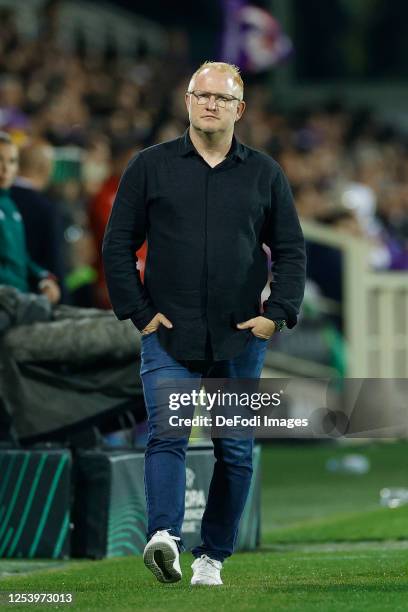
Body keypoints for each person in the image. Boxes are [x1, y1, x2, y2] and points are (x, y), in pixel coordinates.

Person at [102, 62, 306, 586]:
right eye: (201, 94)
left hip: (240, 336)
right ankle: (165, 537)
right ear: (187, 102)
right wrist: (140, 314)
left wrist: (277, 315)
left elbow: (289, 250)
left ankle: (211, 557)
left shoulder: (265, 172)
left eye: (221, 97)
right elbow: (115, 245)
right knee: (166, 435)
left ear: (240, 109)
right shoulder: (149, 166)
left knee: (235, 451)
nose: (209, 103)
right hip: (169, 333)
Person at [0, 131, 60, 303]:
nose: (5, 168)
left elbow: (20, 256)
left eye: (11, 161)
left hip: (23, 297)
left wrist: (43, 277)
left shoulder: (10, 204)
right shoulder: (44, 207)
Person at [10, 139, 66, 291]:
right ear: (44, 167)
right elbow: (54, 260)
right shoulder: (46, 209)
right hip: (36, 295)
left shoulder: (5, 199)